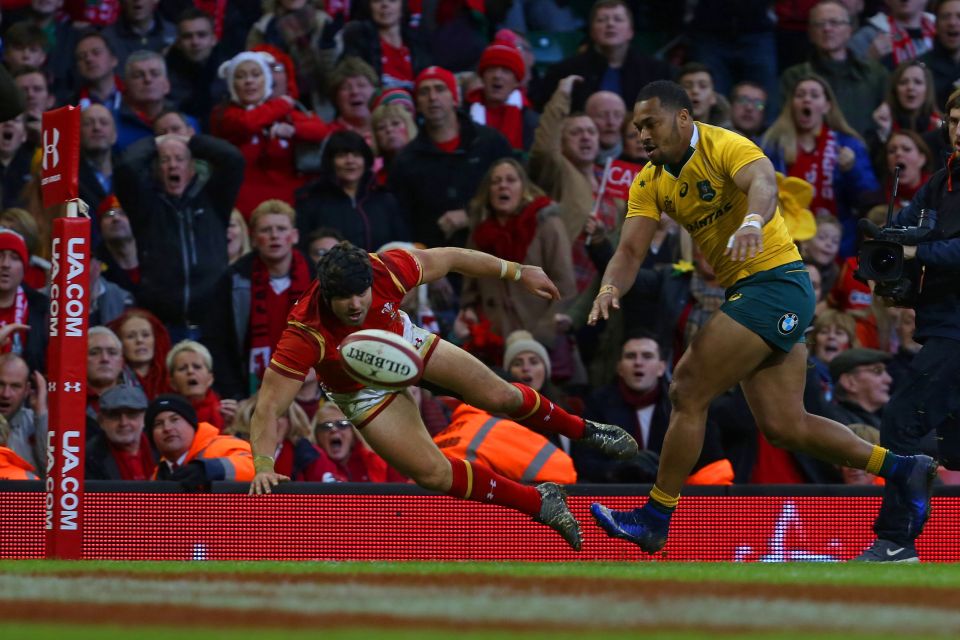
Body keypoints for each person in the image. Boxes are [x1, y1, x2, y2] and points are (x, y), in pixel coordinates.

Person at [587, 80, 937, 555]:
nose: (642, 135)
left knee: (687, 387)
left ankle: (655, 515)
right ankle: (902, 468)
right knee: (785, 425)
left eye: (650, 123)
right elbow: (629, 250)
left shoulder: (724, 143)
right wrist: (610, 286)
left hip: (776, 283)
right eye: (637, 127)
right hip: (754, 291)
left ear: (683, 118)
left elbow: (763, 183)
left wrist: (753, 221)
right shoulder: (651, 180)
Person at [248, 242, 641, 551]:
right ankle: (541, 502)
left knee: (500, 396)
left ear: (371, 280)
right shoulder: (305, 332)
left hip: (403, 342)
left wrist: (518, 271)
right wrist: (263, 463)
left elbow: (451, 257)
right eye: (344, 300)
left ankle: (585, 430)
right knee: (432, 474)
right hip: (360, 390)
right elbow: (269, 406)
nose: (355, 305)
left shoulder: (387, 269)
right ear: (327, 296)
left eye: (361, 295)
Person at [855, 87, 960, 562]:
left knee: (901, 422)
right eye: (955, 121)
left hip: (955, 330)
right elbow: (908, 228)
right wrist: (886, 242)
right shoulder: (940, 182)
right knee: (949, 444)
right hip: (941, 324)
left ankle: (896, 540)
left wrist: (916, 252)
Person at [573, 332, 732, 485]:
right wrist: (620, 469)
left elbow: (710, 462)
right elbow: (584, 461)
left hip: (673, 498)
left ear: (661, 368)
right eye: (630, 356)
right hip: (615, 496)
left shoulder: (686, 404)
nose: (638, 362)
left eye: (647, 356)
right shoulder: (597, 404)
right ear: (620, 368)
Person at [780, 0, 888, 135]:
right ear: (810, 34)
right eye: (819, 24)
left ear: (850, 30)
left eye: (834, 23)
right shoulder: (794, 77)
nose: (827, 29)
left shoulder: (875, 74)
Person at [150, 393, 254, 489]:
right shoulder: (159, 473)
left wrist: (208, 469)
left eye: (175, 420)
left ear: (192, 424)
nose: (167, 428)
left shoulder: (221, 446)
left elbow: (259, 468)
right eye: (158, 424)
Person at [312, 399, 407, 482]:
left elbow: (402, 494)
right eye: (326, 426)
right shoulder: (309, 467)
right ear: (317, 435)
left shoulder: (377, 460)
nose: (334, 430)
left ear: (353, 432)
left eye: (342, 424)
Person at [85, 384, 156, 480]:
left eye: (132, 414)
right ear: (101, 421)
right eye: (115, 415)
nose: (124, 423)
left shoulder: (161, 448)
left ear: (145, 419)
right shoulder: (88, 458)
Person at [107, 308, 172, 401]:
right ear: (119, 343)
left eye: (145, 335)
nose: (139, 340)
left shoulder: (172, 380)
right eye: (130, 336)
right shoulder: (110, 381)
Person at [0, 352, 46, 475]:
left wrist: (41, 413)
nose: (5, 394)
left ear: (27, 390)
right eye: (0, 384)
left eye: (15, 386)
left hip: (27, 494)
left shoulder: (36, 423)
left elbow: (53, 473)